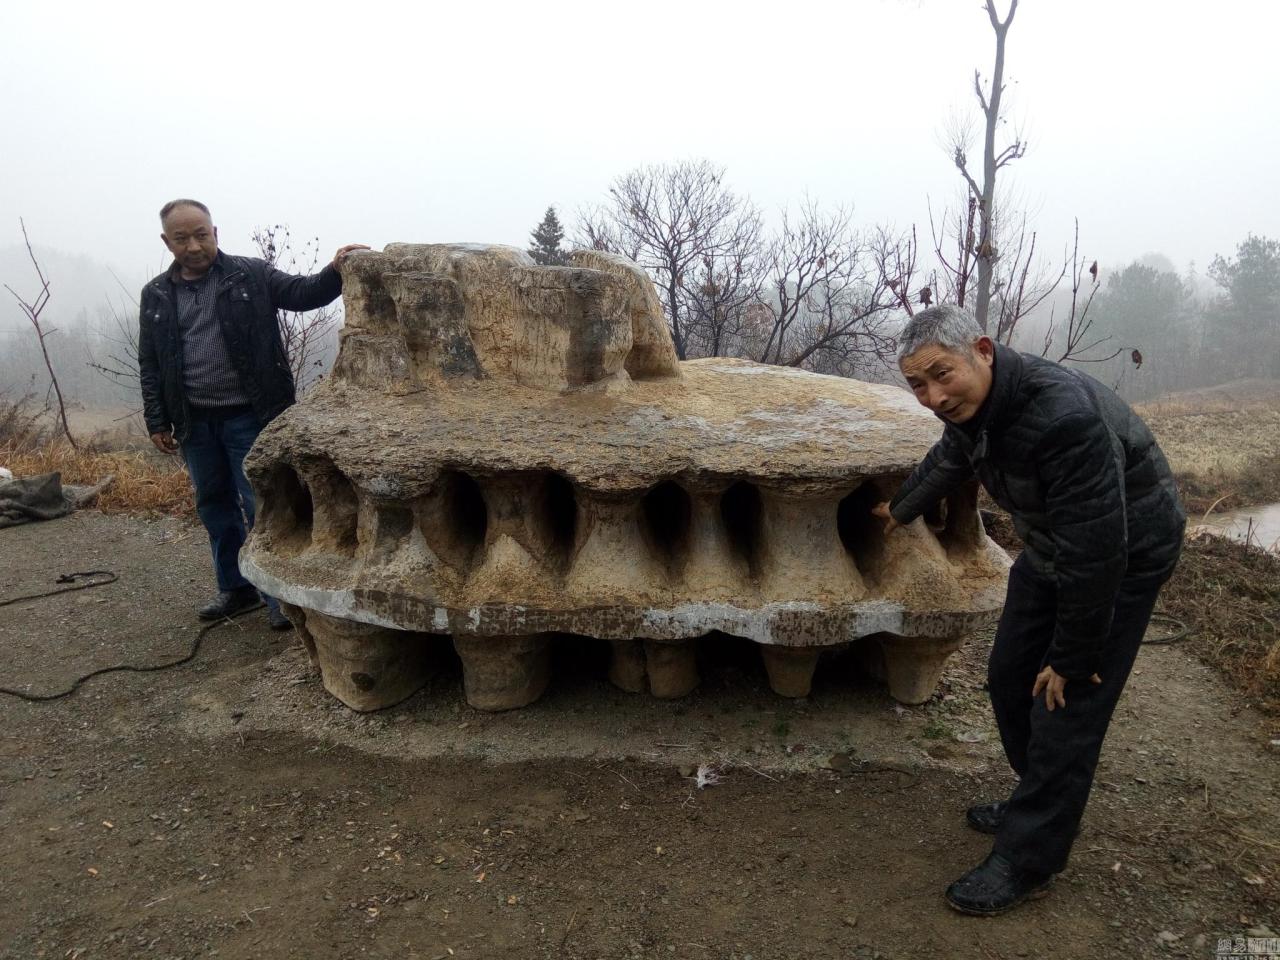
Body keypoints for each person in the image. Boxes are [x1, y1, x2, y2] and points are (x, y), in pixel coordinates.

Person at [874, 304, 1184, 915]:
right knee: (1010, 675)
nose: (933, 396)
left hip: (1123, 553)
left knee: (1066, 702)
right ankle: (1035, 801)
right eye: (918, 384)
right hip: (1053, 544)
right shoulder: (978, 407)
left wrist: (1072, 656)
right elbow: (953, 456)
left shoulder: (1063, 419)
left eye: (942, 375)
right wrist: (901, 508)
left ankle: (1030, 858)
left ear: (982, 351)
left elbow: (1098, 554)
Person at [138, 199, 367, 628]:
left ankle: (278, 596)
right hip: (193, 422)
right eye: (183, 238)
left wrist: (335, 270)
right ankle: (235, 588)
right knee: (214, 506)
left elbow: (303, 294)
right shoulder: (156, 294)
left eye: (201, 234)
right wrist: (157, 419)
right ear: (167, 242)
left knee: (265, 504)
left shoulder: (251, 275)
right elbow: (151, 361)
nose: (193, 245)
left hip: (253, 416)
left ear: (215, 233)